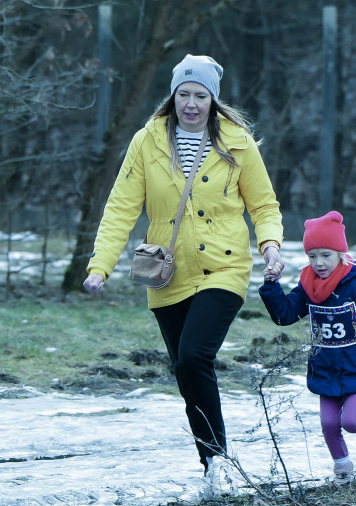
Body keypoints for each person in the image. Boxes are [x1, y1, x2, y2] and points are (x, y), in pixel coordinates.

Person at [83, 54, 285, 475]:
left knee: (195, 356)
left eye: (200, 95)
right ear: (172, 96)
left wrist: (271, 245)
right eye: (183, 94)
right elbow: (121, 207)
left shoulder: (237, 143)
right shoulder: (147, 141)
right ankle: (211, 462)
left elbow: (263, 204)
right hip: (167, 272)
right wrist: (99, 266)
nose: (191, 103)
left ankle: (219, 460)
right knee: (184, 370)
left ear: (213, 100)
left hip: (224, 268)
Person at [258, 210, 356, 486]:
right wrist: (271, 286)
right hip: (326, 369)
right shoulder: (308, 286)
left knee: (353, 421)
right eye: (312, 256)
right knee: (328, 425)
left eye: (325, 255)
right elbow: (284, 315)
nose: (319, 263)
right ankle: (344, 472)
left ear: (340, 253)